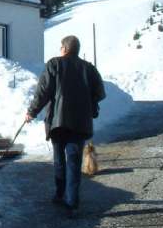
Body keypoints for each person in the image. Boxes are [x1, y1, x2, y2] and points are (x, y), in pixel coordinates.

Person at [25, 35, 106, 218]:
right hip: (80, 123)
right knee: (74, 162)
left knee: (59, 160)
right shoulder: (89, 68)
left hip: (58, 122)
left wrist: (32, 112)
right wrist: (88, 101)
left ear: (64, 48)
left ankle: (60, 194)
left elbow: (43, 91)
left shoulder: (54, 64)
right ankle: (72, 203)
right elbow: (100, 93)